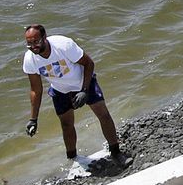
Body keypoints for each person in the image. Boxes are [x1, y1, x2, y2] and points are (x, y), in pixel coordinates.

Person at [21, 24, 125, 166]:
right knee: (66, 124)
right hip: (60, 90)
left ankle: (116, 152)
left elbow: (89, 63)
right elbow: (35, 90)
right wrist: (33, 119)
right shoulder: (30, 59)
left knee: (103, 114)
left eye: (36, 42)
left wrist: (84, 90)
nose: (33, 47)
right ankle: (73, 160)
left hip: (83, 82)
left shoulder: (63, 45)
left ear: (44, 38)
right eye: (29, 44)